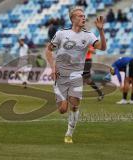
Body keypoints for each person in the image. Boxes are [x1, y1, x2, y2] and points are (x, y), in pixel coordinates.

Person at [45, 6, 106, 143]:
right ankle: (58, 91)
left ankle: (69, 134)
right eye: (79, 16)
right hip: (61, 73)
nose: (83, 18)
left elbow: (102, 47)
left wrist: (101, 31)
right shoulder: (61, 33)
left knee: (75, 105)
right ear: (72, 19)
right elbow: (48, 50)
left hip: (77, 75)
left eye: (84, 16)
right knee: (62, 109)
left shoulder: (89, 35)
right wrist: (53, 68)